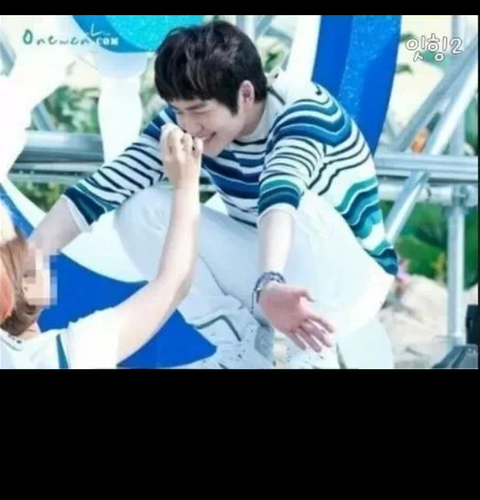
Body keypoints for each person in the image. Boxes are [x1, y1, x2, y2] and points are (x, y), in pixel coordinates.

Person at [29, 20, 398, 369]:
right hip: (268, 276)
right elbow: (105, 186)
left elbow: (280, 194)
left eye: (198, 111)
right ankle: (241, 347)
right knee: (139, 208)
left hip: (350, 281)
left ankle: (316, 353)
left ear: (246, 94)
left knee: (301, 204)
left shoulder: (304, 111)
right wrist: (27, 261)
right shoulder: (186, 124)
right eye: (179, 111)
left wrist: (269, 281)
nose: (190, 127)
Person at [0, 127, 202, 369]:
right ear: (27, 286)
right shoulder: (64, 354)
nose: (36, 248)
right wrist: (185, 185)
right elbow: (173, 284)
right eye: (25, 246)